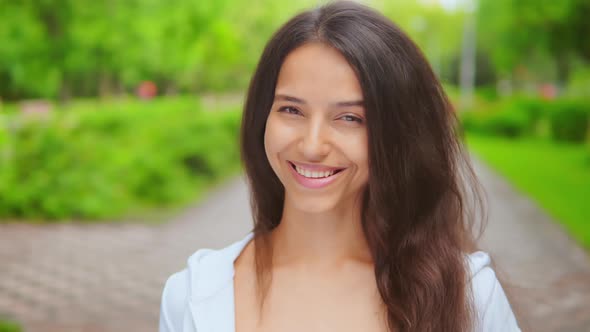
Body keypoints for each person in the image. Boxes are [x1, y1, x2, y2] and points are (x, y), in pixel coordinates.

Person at [159, 1, 521, 331]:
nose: (313, 145)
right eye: (291, 110)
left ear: (399, 135)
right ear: (261, 118)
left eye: (350, 117)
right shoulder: (194, 295)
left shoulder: (471, 296)